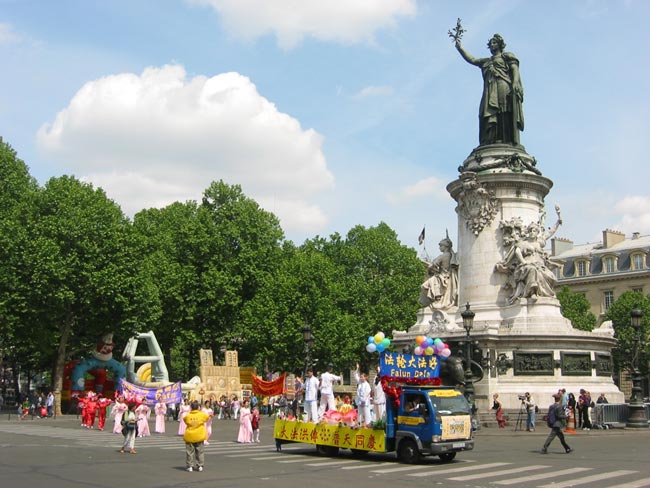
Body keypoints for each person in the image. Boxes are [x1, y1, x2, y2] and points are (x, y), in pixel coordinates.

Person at [455, 33, 524, 146]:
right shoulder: (486, 61)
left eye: (494, 43)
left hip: (503, 85)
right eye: (490, 43)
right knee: (487, 112)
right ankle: (491, 139)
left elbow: (514, 69)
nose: (492, 45)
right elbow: (472, 60)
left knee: (504, 110)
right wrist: (460, 48)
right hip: (490, 90)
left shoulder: (507, 56)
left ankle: (507, 139)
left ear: (500, 44)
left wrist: (515, 82)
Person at [420, 236, 459, 310]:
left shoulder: (443, 256)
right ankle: (438, 299)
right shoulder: (451, 255)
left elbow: (431, 266)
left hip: (442, 277)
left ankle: (437, 300)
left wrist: (429, 268)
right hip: (448, 276)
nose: (439, 247)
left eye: (441, 245)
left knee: (424, 286)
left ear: (445, 246)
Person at [183, 400, 210, 472]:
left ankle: (190, 466)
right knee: (200, 451)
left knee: (189, 452)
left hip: (190, 435)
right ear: (198, 407)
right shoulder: (202, 414)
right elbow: (207, 418)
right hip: (199, 435)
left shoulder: (188, 415)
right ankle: (200, 465)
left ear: (191, 407)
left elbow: (185, 420)